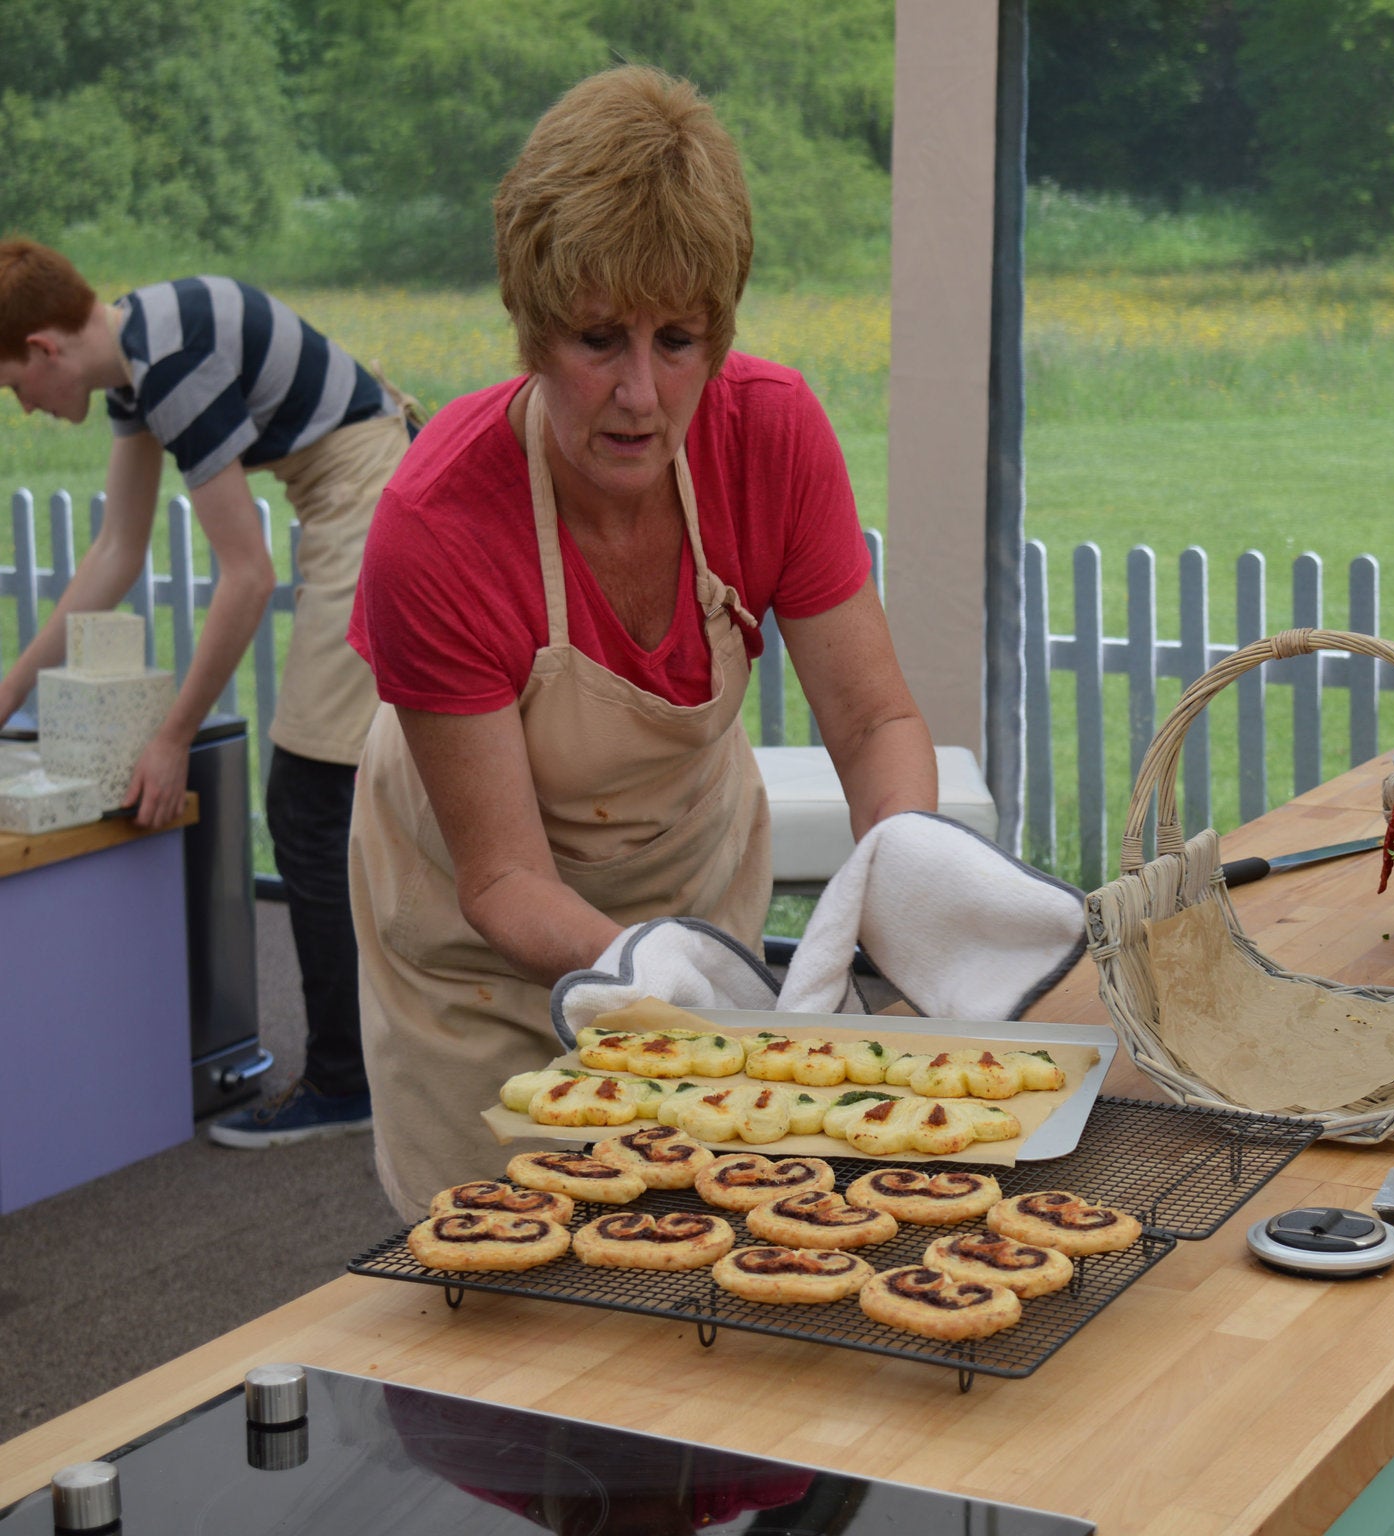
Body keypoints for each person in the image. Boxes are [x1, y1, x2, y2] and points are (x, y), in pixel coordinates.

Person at [346, 66, 938, 1217]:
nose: (638, 395)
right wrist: (646, 982)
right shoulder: (437, 525)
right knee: (509, 1273)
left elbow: (872, 721)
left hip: (688, 898)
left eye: (678, 340)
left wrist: (904, 870)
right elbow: (506, 876)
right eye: (596, 338)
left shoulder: (769, 436)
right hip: (479, 953)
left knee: (713, 1239)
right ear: (529, 325)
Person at [0, 240, 414, 1148]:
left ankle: (347, 1083)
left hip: (368, 494)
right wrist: (9, 692)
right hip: (347, 488)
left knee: (306, 800)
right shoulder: (135, 360)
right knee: (353, 792)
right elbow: (116, 552)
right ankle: (403, 1046)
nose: (25, 407)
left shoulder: (168, 361)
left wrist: (171, 736)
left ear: (42, 348)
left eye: (13, 387)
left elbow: (244, 575)